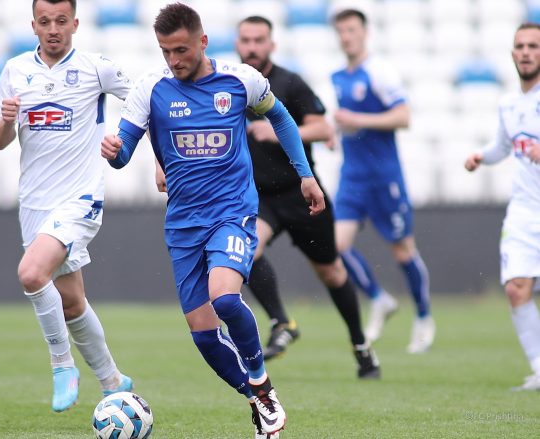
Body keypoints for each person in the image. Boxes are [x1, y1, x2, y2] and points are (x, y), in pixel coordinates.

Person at [101, 3, 326, 437]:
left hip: (232, 212)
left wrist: (306, 175)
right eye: (165, 51)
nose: (173, 60)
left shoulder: (240, 81)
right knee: (203, 333)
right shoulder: (151, 88)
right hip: (183, 222)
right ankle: (256, 397)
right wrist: (115, 152)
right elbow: (124, 151)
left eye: (181, 50)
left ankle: (260, 381)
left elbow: (280, 116)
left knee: (224, 298)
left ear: (202, 41)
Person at [0, 0, 133, 412]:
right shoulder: (15, 70)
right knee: (71, 301)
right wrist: (6, 120)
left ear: (75, 24)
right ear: (34, 25)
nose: (53, 28)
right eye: (45, 21)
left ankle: (61, 365)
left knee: (31, 274)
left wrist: (124, 139)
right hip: (35, 204)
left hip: (80, 198)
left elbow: (145, 101)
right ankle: (113, 381)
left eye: (61, 21)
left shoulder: (96, 68)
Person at [232, 15, 379, 378]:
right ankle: (282, 322)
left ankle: (361, 346)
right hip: (259, 198)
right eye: (246, 40)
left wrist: (279, 131)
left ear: (272, 45)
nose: (252, 47)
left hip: (300, 194)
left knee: (331, 272)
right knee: (247, 251)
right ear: (237, 44)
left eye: (259, 40)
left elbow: (323, 128)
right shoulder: (229, 85)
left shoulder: (289, 83)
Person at [330, 8, 434, 353]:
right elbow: (346, 123)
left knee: (402, 250)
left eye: (351, 30)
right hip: (352, 176)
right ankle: (379, 298)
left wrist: (357, 119)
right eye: (341, 31)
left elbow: (404, 117)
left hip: (384, 176)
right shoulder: (338, 76)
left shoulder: (380, 71)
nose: (346, 37)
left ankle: (423, 317)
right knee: (336, 246)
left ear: (365, 32)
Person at [464, 23, 540, 391]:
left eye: (533, 46)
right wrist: (482, 156)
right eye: (520, 46)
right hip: (524, 210)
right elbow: (504, 147)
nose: (526, 52)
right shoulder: (509, 104)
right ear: (512, 54)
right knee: (516, 289)